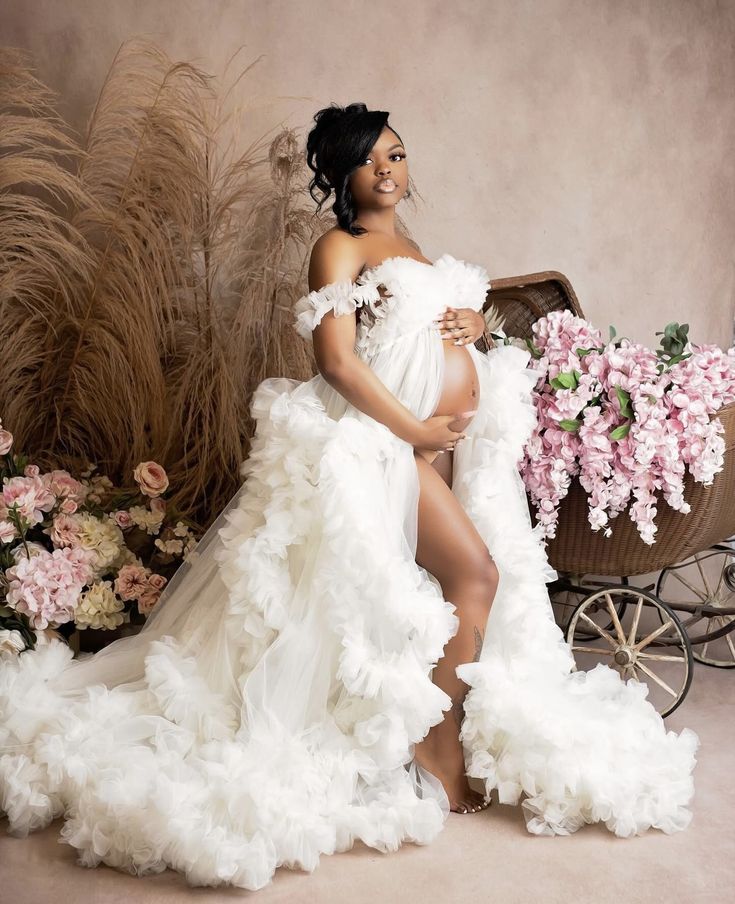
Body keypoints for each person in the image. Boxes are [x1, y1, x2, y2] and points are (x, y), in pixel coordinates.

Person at [0, 102, 700, 893]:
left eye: (396, 155)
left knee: (431, 588)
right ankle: (435, 756)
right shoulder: (336, 246)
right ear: (337, 175)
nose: (387, 171)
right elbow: (336, 361)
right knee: (473, 575)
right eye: (368, 161)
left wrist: (471, 324)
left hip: (430, 446)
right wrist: (414, 431)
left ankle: (422, 729)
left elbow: (417, 331)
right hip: (377, 445)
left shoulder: (405, 244)